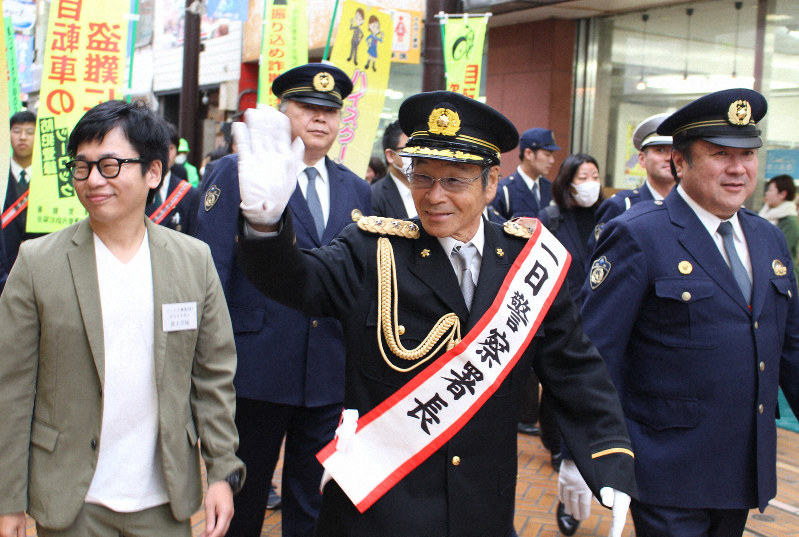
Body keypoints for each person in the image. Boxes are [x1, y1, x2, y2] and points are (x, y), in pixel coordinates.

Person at [232, 90, 635, 537]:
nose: (434, 196)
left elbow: (575, 368)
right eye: (421, 177)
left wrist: (601, 454)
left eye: (454, 180)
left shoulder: (528, 263)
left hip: (481, 505)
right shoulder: (372, 250)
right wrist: (264, 226)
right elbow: (295, 280)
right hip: (379, 509)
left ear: (491, 183)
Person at [0, 100, 244, 537]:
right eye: (82, 167)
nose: (94, 180)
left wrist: (223, 471)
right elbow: (11, 389)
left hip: (164, 500)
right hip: (71, 499)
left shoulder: (193, 261)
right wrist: (8, 501)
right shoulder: (37, 263)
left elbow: (212, 377)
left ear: (153, 172)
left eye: (111, 165)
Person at [581, 88, 799, 536]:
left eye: (748, 154)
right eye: (720, 154)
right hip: (666, 466)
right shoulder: (639, 236)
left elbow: (790, 345)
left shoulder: (767, 239)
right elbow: (596, 355)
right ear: (681, 162)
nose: (738, 168)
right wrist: (595, 454)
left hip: (742, 465)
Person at [195, 63, 371, 537]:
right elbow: (210, 269)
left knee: (312, 498)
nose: (320, 120)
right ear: (281, 111)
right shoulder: (237, 171)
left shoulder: (358, 190)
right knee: (243, 495)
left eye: (330, 111)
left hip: (328, 372)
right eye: (307, 108)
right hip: (254, 365)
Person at [536, 153, 603, 536]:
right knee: (563, 390)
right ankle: (563, 450)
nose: (590, 182)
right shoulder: (551, 219)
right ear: (567, 180)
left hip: (601, 319)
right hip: (561, 319)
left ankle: (579, 456)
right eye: (583, 176)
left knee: (592, 392)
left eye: (595, 175)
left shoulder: (612, 216)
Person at [490, 127, 561, 439]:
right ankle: (520, 412)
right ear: (528, 152)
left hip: (544, 281)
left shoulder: (552, 190)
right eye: (546, 153)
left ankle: (536, 413)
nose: (551, 160)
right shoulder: (504, 189)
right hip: (513, 283)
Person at [592, 113, 674, 242]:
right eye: (660, 150)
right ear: (642, 159)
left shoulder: (690, 206)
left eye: (674, 151)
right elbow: (601, 259)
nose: (669, 158)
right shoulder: (621, 205)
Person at [491, 127, 560, 220]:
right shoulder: (504, 191)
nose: (552, 161)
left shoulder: (551, 189)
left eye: (552, 155)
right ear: (528, 154)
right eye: (547, 155)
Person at [2, 111, 41, 275]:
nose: (23, 137)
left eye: (30, 132)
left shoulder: (47, 180)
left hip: (39, 266)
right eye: (17, 131)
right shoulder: (2, 175)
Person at [145, 121, 201, 235]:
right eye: (161, 148)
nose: (166, 154)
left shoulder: (189, 194)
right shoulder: (137, 188)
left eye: (170, 148)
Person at [370, 120, 416, 218]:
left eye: (419, 148)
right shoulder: (374, 196)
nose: (415, 155)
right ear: (390, 155)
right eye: (409, 148)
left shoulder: (430, 190)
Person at [759, 174, 799, 281]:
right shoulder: (767, 214)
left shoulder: (789, 221)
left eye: (770, 190)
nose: (766, 193)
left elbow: (778, 251)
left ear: (782, 194)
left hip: (782, 278)